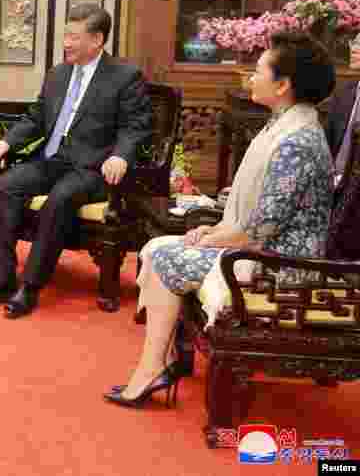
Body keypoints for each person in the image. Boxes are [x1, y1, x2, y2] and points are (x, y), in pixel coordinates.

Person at [108, 32, 335, 409]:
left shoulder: (296, 141)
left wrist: (210, 239)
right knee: (161, 247)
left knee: (167, 256)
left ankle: (152, 370)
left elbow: (261, 229)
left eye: (259, 70)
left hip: (282, 266)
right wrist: (213, 231)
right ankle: (158, 365)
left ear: (282, 85)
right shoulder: (284, 125)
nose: (250, 77)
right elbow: (257, 219)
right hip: (266, 249)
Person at [0, 4, 152, 318]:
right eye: (66, 35)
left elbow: (136, 125)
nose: (66, 42)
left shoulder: (124, 76)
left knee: (59, 200)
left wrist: (120, 155)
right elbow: (37, 117)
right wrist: (7, 141)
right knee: (2, 188)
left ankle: (31, 286)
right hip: (52, 160)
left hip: (92, 167)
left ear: (96, 40)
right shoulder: (58, 73)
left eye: (74, 37)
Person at [325, 33, 360, 190]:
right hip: (334, 187)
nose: (353, 48)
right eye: (354, 42)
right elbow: (327, 145)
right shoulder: (343, 93)